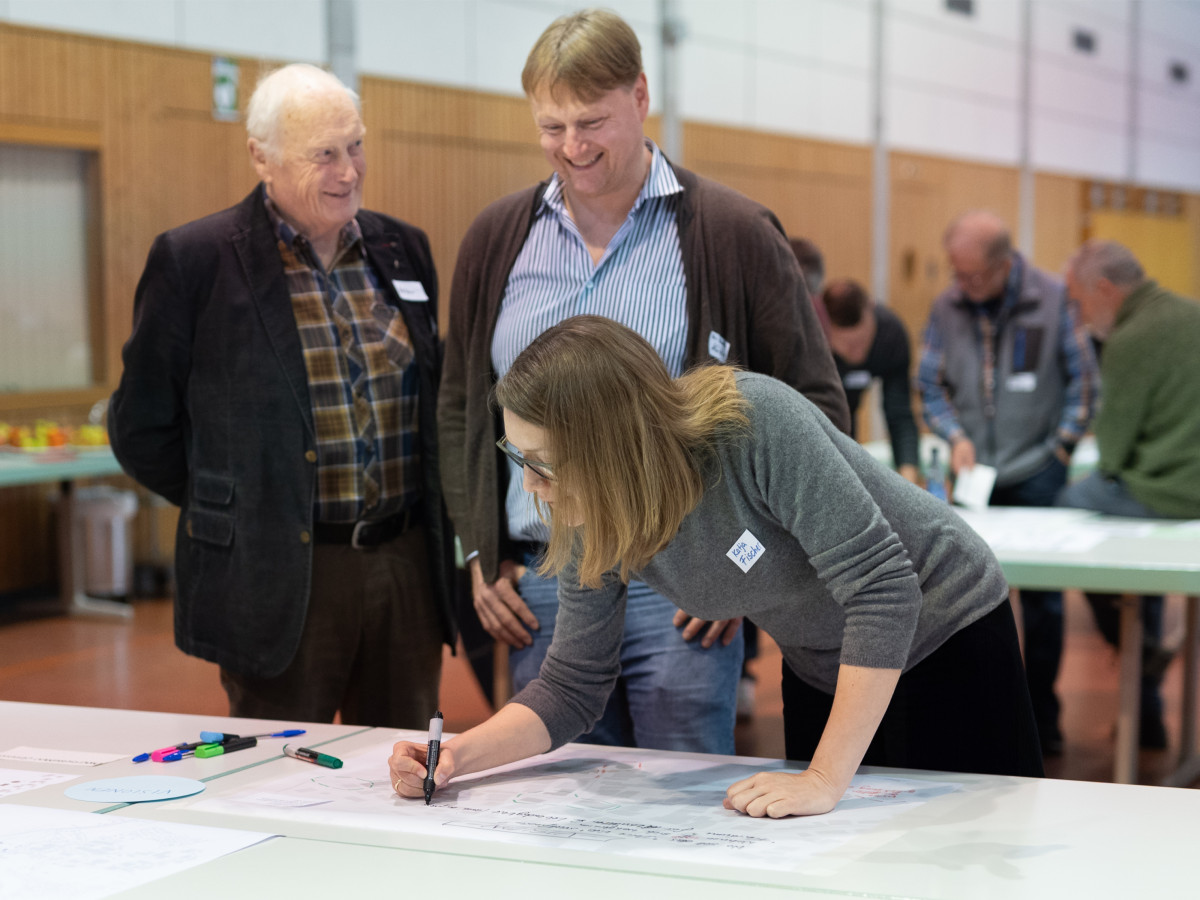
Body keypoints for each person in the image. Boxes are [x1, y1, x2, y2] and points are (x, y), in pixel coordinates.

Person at [392, 315, 1042, 817]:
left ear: (611, 447)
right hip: (827, 663)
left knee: (965, 845)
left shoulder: (752, 423)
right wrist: (454, 757)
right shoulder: (592, 509)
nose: (532, 484)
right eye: (520, 456)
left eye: (544, 461)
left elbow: (883, 590)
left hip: (948, 629)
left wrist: (823, 778)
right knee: (839, 856)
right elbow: (571, 684)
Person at [438, 9, 849, 754]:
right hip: (546, 572)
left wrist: (749, 567)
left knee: (684, 800)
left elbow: (815, 410)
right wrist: (476, 546)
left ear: (639, 96)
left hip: (686, 583)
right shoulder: (498, 239)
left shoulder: (734, 233)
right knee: (564, 800)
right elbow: (462, 406)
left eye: (591, 121)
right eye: (551, 127)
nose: (572, 147)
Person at [108, 63, 456, 728]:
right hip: (280, 574)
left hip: (403, 566)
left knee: (406, 771)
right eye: (323, 154)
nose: (348, 172)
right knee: (280, 777)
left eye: (355, 146)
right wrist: (242, 504)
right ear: (261, 157)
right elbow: (140, 427)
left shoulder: (401, 248)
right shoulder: (197, 260)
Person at [916, 210, 1098, 756]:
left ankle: (1043, 718)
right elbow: (929, 385)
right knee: (968, 597)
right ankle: (982, 721)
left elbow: (1084, 385)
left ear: (1003, 265)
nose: (960, 285)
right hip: (975, 474)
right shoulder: (947, 305)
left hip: (1037, 471)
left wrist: (1060, 450)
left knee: (1043, 606)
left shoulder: (1053, 297)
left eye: (971, 275)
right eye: (955, 272)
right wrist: (953, 434)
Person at [1057, 240, 1200, 749]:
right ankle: (1147, 689)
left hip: (1169, 493)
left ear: (1104, 289)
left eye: (1078, 300)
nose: (1078, 313)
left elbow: (1113, 453)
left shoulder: (1131, 338)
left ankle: (1133, 643)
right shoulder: (1189, 312)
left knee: (1069, 504)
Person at [818, 277, 921, 483]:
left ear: (870, 311)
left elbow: (899, 413)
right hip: (823, 414)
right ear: (825, 330)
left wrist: (909, 477)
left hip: (849, 407)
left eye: (861, 342)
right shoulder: (812, 342)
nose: (857, 354)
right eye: (847, 346)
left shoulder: (890, 333)